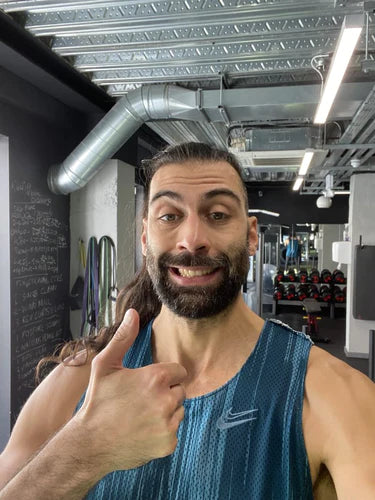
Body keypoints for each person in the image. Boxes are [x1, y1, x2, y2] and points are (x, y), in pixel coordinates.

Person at [0, 142, 374, 499]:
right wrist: (87, 445)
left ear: (251, 235)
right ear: (146, 235)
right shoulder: (82, 379)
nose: (192, 239)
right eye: (170, 216)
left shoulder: (331, 394)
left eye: (217, 215)